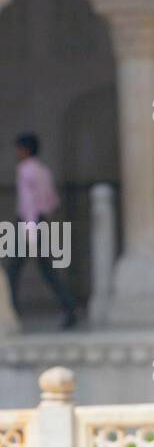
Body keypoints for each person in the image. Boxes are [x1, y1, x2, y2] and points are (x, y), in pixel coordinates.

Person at [6, 133, 77, 328]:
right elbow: (53, 201)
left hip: (29, 223)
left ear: (26, 150)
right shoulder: (43, 171)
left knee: (12, 271)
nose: (17, 153)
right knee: (48, 271)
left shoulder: (25, 170)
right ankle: (69, 306)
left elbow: (29, 204)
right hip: (42, 221)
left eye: (19, 149)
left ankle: (11, 313)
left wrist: (29, 232)